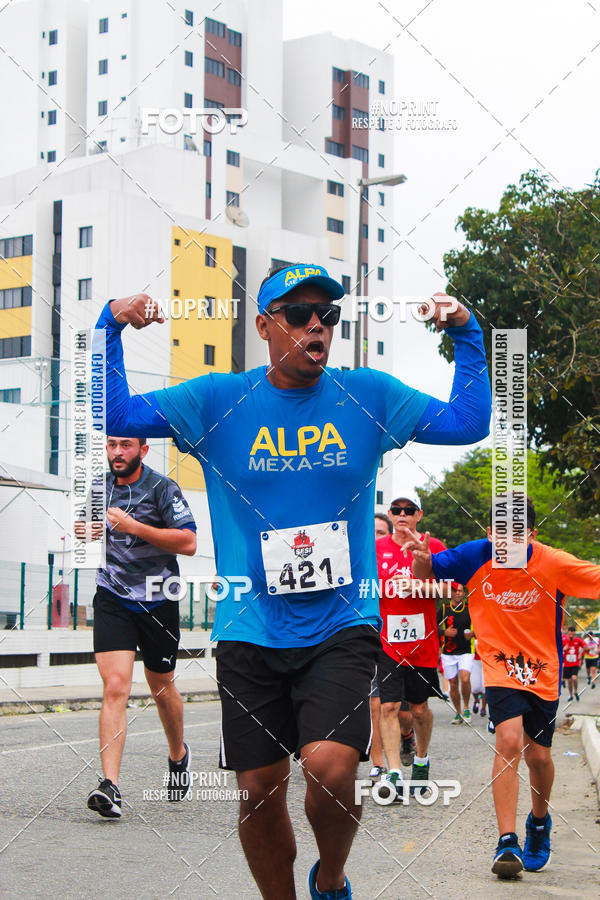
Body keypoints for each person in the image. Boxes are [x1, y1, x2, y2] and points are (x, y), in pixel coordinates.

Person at [94, 263, 491, 899]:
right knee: (257, 789)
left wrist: (468, 331)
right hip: (249, 626)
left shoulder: (367, 395)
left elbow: (468, 423)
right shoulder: (217, 401)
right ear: (264, 326)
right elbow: (111, 411)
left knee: (330, 770)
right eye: (299, 314)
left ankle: (330, 877)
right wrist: (109, 324)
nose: (316, 326)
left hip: (341, 624)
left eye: (327, 315)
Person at [400, 497, 600, 878]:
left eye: (518, 534)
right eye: (501, 533)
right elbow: (427, 571)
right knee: (508, 741)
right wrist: (422, 559)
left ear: (532, 535)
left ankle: (538, 823)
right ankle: (507, 841)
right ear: (490, 533)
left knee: (538, 757)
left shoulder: (554, 562)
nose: (508, 542)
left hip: (542, 670)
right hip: (498, 665)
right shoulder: (474, 556)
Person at [75, 436, 197, 818]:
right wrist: (86, 532)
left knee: (161, 687)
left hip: (159, 599)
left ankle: (178, 755)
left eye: (125, 445)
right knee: (115, 686)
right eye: (112, 445)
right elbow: (83, 529)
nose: (117, 452)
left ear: (142, 451)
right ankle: (109, 785)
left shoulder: (162, 488)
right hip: (113, 597)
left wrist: (134, 526)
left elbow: (188, 542)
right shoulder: (99, 487)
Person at [376, 492, 447, 800]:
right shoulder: (376, 548)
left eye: (409, 509)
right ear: (390, 515)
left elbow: (453, 589)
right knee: (389, 706)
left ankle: (421, 758)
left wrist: (420, 586)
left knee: (418, 710)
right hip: (387, 641)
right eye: (396, 509)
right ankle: (394, 772)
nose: (402, 514)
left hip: (423, 641)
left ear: (419, 515)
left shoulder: (434, 546)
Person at [369, 513, 393, 781]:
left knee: (407, 714)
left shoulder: (398, 560)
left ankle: (407, 736)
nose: (375, 538)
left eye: (381, 533)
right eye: (371, 532)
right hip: (371, 638)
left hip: (401, 644)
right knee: (374, 703)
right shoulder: (359, 560)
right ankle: (378, 762)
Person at [437, 584, 475, 723]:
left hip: (466, 650)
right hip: (448, 652)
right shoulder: (444, 609)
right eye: (455, 591)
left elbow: (482, 624)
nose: (457, 593)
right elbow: (432, 626)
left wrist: (473, 633)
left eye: (460, 591)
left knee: (465, 678)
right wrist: (444, 632)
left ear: (464, 593)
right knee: (453, 684)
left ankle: (466, 708)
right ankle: (458, 712)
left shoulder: (470, 608)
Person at [562, 626, 585, 702]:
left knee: (574, 677)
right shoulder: (564, 640)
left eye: (573, 634)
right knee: (569, 681)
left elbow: (584, 646)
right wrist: (563, 649)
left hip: (575, 663)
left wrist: (580, 654)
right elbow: (557, 648)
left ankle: (576, 691)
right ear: (568, 633)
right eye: (570, 634)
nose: (571, 635)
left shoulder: (578, 640)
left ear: (574, 633)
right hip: (567, 663)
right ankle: (571, 695)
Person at [471, 639, 487, 718]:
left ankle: (483, 708)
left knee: (484, 686)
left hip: (486, 660)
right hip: (474, 660)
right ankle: (476, 700)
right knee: (475, 687)